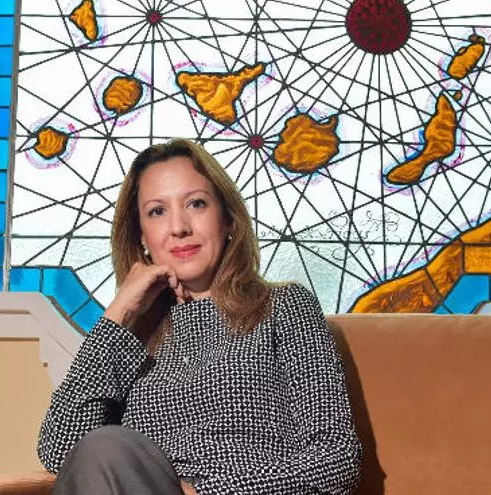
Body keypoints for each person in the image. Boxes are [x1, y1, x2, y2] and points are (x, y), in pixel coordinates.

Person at [37, 138, 362, 494]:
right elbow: (61, 451)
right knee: (103, 447)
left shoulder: (284, 306)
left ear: (228, 219)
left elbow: (336, 459)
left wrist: (205, 492)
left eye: (196, 203)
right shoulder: (127, 341)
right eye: (157, 211)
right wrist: (118, 314)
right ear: (142, 236)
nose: (179, 227)